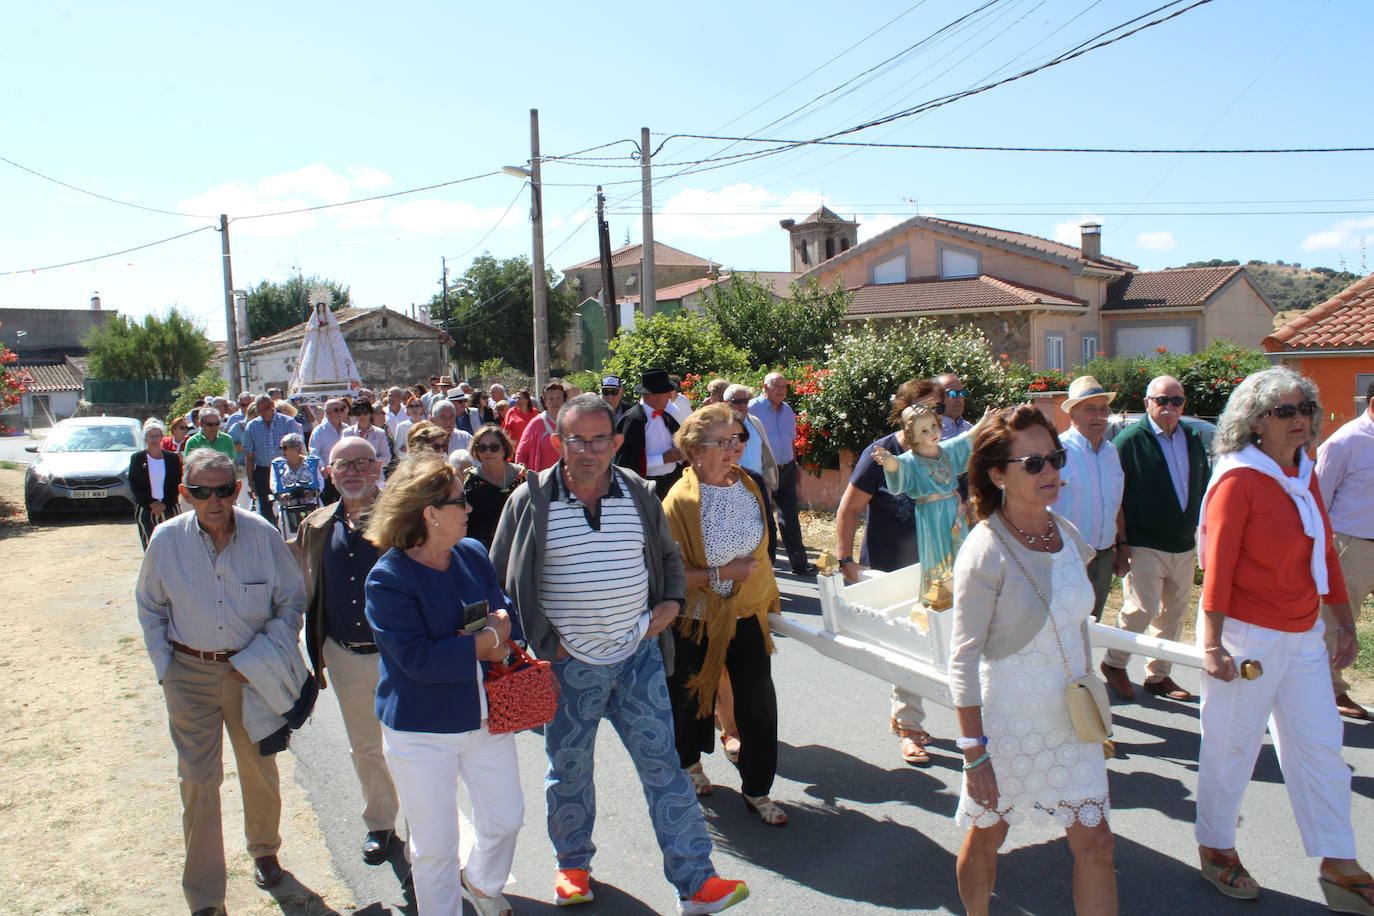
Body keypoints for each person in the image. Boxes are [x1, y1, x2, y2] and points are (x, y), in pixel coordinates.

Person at [489, 394, 750, 915]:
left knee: (665, 768)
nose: (588, 450)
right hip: (569, 667)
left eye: (598, 439)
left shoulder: (639, 492)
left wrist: (672, 602)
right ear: (558, 442)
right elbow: (499, 577)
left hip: (638, 658)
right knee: (569, 771)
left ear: (616, 442)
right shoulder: (531, 499)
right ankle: (572, 868)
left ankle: (697, 882)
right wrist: (544, 643)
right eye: (576, 439)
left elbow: (669, 558)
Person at [1194, 367, 1370, 909]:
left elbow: (1321, 554)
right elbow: (1217, 569)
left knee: (1320, 745)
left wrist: (1343, 620)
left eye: (1305, 410)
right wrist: (1212, 644)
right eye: (1284, 412)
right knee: (1232, 747)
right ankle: (1217, 848)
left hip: (1303, 634)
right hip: (1247, 634)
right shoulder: (1239, 479)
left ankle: (1338, 860)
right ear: (1255, 422)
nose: (1300, 421)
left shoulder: (1303, 472)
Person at [950, 405, 1116, 916]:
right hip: (1009, 723)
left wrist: (1094, 705)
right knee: (987, 835)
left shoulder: (1067, 533)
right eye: (1034, 464)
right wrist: (974, 753)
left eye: (1055, 459)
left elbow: (1076, 626)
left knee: (1097, 845)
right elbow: (962, 660)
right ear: (998, 474)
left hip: (1070, 719)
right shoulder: (984, 549)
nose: (1051, 472)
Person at [135, 448, 308, 915]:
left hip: (250, 673)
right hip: (187, 673)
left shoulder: (263, 535)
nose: (213, 500)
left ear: (237, 489)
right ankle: (206, 897)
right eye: (200, 491)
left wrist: (260, 655)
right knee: (197, 779)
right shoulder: (165, 540)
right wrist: (166, 669)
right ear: (183, 493)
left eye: (223, 490)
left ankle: (265, 850)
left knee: (258, 767)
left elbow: (292, 603)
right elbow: (149, 607)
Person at [364, 453, 523, 916]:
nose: (470, 509)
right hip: (421, 731)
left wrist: (491, 635)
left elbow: (506, 614)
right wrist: (487, 641)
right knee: (434, 850)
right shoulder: (388, 579)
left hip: (487, 718)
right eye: (461, 501)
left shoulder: (471, 554)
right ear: (431, 513)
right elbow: (418, 660)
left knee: (506, 820)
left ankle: (480, 881)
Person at [662, 404, 786, 826]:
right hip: (696, 617)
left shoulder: (747, 484)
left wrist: (755, 587)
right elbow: (670, 572)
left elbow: (765, 547)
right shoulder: (679, 501)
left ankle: (757, 788)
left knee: (758, 702)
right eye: (724, 441)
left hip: (745, 612)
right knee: (691, 700)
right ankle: (690, 765)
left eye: (737, 439)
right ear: (696, 451)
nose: (734, 448)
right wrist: (722, 573)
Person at [289, 438, 401, 867]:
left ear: (377, 468)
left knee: (411, 745)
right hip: (344, 655)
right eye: (343, 464)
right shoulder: (315, 525)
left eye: (361, 462)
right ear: (328, 472)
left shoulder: (401, 520)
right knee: (366, 745)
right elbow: (297, 584)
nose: (353, 471)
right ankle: (380, 824)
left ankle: (428, 831)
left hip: (399, 656)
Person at [836, 379, 939, 765]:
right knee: (910, 648)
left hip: (939, 569)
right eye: (924, 411)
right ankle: (910, 726)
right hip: (893, 573)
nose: (933, 420)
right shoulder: (881, 453)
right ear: (905, 413)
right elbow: (849, 509)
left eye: (938, 411)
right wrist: (846, 562)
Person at [1100, 375, 1210, 702]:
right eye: (1162, 400)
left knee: (1173, 615)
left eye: (1176, 401)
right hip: (1143, 542)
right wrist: (1121, 544)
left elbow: (1201, 486)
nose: (1169, 407)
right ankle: (1114, 663)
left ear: (1184, 405)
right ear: (1147, 402)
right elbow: (1115, 496)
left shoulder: (1191, 438)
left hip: (1182, 542)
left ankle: (1157, 675)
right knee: (1141, 610)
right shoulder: (1130, 441)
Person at [873, 399, 991, 594]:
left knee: (961, 548)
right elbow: (898, 465)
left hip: (954, 510)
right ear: (912, 436)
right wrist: (888, 461)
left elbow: (966, 439)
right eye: (924, 431)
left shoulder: (946, 451)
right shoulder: (912, 460)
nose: (932, 433)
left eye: (934, 426)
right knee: (938, 551)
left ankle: (964, 589)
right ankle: (938, 592)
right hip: (931, 513)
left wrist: (984, 421)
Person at [1315, 378, 1374, 720]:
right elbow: (1319, 497)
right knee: (1337, 622)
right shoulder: (1345, 441)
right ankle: (1330, 690)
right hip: (1350, 545)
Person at [1054, 376, 1129, 621]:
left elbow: (1116, 503)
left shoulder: (1111, 452)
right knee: (1064, 628)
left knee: (1092, 627)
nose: (1099, 415)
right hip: (1067, 558)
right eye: (1090, 409)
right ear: (1072, 413)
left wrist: (1122, 545)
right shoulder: (1057, 452)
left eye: (1103, 409)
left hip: (1104, 557)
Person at [750, 372, 815, 575]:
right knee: (765, 519)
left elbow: (790, 441)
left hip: (786, 469)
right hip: (762, 471)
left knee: (790, 516)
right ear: (765, 387)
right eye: (776, 386)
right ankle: (767, 566)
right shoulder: (752, 408)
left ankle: (799, 563)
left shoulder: (787, 410)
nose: (781, 390)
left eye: (784, 386)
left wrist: (795, 465)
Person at [616, 369, 686, 499]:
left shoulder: (666, 416)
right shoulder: (633, 420)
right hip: (647, 488)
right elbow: (627, 463)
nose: (670, 397)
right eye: (666, 392)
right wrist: (662, 459)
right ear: (653, 395)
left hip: (671, 483)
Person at [463, 425, 526, 550]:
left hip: (520, 544)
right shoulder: (472, 481)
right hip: (485, 548)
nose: (488, 452)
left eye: (494, 447)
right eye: (482, 448)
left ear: (504, 448)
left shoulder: (522, 476)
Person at [244, 394, 299, 525]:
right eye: (260, 410)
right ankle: (272, 535)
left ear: (272, 405)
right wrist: (250, 482)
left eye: (266, 408)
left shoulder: (288, 422)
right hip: (263, 471)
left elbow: (297, 449)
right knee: (265, 508)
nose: (264, 412)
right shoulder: (251, 426)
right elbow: (250, 456)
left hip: (285, 470)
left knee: (289, 505)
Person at [130, 418, 182, 549]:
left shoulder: (172, 458)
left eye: (157, 436)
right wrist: (151, 503)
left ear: (162, 437)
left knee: (172, 543)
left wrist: (165, 504)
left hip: (169, 507)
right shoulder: (137, 458)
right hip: (146, 508)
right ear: (145, 438)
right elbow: (134, 484)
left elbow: (177, 482)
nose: (154, 439)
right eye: (151, 436)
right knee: (150, 544)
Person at [725, 385, 777, 494]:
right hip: (732, 485)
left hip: (758, 483)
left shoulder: (756, 422)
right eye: (738, 402)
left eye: (746, 401)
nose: (743, 405)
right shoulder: (722, 427)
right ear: (726, 403)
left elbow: (765, 453)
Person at [271, 433, 324, 537]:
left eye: (285, 448)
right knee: (290, 538)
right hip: (288, 506)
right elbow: (274, 483)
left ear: (297, 448)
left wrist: (312, 493)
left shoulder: (310, 462)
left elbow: (320, 482)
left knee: (314, 535)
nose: (282, 451)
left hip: (310, 504)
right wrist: (281, 495)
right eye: (281, 448)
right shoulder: (278, 465)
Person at [514, 382, 565, 473]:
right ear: (545, 402)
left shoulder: (571, 422)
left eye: (558, 398)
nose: (555, 402)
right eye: (551, 399)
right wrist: (523, 476)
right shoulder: (536, 423)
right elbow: (521, 453)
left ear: (564, 400)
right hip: (542, 481)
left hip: (569, 480)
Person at [343, 400, 392, 467]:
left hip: (375, 474)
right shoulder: (347, 433)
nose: (362, 415)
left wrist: (369, 463)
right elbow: (343, 455)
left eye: (365, 412)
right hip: (354, 474)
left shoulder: (380, 433)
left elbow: (386, 457)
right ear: (354, 415)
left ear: (370, 413)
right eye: (358, 413)